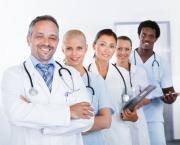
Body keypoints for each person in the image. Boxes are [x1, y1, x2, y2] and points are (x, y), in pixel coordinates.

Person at [1, 15, 94, 145]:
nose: (46, 42)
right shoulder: (13, 74)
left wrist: (37, 119)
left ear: (57, 41)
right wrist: (69, 112)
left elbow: (87, 120)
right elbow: (16, 114)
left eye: (52, 38)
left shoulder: (72, 74)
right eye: (40, 36)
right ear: (29, 40)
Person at [130, 20, 179, 145]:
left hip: (154, 117)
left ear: (156, 39)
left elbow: (168, 91)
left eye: (151, 36)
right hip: (130, 115)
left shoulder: (163, 64)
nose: (147, 39)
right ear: (139, 36)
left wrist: (171, 98)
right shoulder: (127, 58)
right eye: (143, 35)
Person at [61, 29, 113, 145]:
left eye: (79, 48)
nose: (74, 53)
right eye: (69, 48)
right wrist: (85, 125)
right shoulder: (56, 79)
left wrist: (66, 126)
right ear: (63, 49)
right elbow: (49, 118)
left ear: (86, 48)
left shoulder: (97, 80)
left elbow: (106, 121)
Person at [88, 29, 138, 145]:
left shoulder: (123, 74)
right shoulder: (84, 73)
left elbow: (130, 105)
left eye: (111, 46)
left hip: (119, 137)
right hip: (93, 136)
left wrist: (132, 115)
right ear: (93, 46)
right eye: (102, 45)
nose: (107, 50)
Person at [115, 36, 151, 145]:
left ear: (131, 50)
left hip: (136, 121)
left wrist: (139, 103)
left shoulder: (139, 72)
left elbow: (148, 99)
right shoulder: (109, 72)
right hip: (116, 120)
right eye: (119, 48)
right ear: (114, 49)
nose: (123, 52)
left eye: (127, 49)